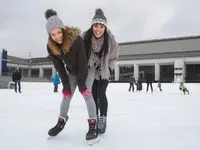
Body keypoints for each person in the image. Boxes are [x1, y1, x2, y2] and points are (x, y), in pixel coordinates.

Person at [44, 9, 98, 141]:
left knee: (87, 93)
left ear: (62, 29)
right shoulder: (51, 47)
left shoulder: (75, 40)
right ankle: (61, 122)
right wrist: (66, 85)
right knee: (66, 95)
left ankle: (93, 124)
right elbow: (59, 67)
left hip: (87, 68)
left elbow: (83, 62)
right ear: (49, 35)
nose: (57, 36)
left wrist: (81, 85)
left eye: (58, 32)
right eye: (53, 34)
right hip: (72, 71)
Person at [81, 8, 119, 135]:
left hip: (104, 69)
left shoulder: (111, 41)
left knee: (101, 93)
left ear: (105, 27)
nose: (98, 29)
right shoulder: (86, 38)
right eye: (96, 26)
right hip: (91, 70)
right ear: (92, 26)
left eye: (101, 26)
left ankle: (103, 118)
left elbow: (114, 57)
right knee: (93, 95)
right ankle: (95, 117)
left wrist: (106, 66)